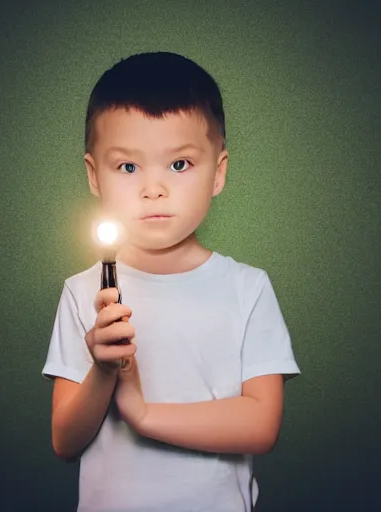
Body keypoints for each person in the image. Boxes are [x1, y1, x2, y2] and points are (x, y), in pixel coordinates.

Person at [42, 51, 300, 512]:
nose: (153, 189)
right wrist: (103, 370)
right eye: (128, 167)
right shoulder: (83, 293)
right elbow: (65, 441)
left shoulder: (247, 289)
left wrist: (143, 414)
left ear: (218, 173)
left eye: (179, 165)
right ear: (93, 175)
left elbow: (261, 425)